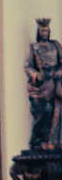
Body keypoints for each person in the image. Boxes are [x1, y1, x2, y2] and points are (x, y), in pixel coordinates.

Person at [24, 18, 62, 149]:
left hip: (53, 84)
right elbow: (27, 66)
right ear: (38, 31)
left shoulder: (55, 46)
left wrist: (59, 72)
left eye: (46, 30)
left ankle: (50, 141)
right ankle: (36, 142)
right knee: (42, 112)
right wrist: (36, 75)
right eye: (42, 30)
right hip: (40, 86)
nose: (44, 33)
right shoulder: (33, 47)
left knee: (54, 113)